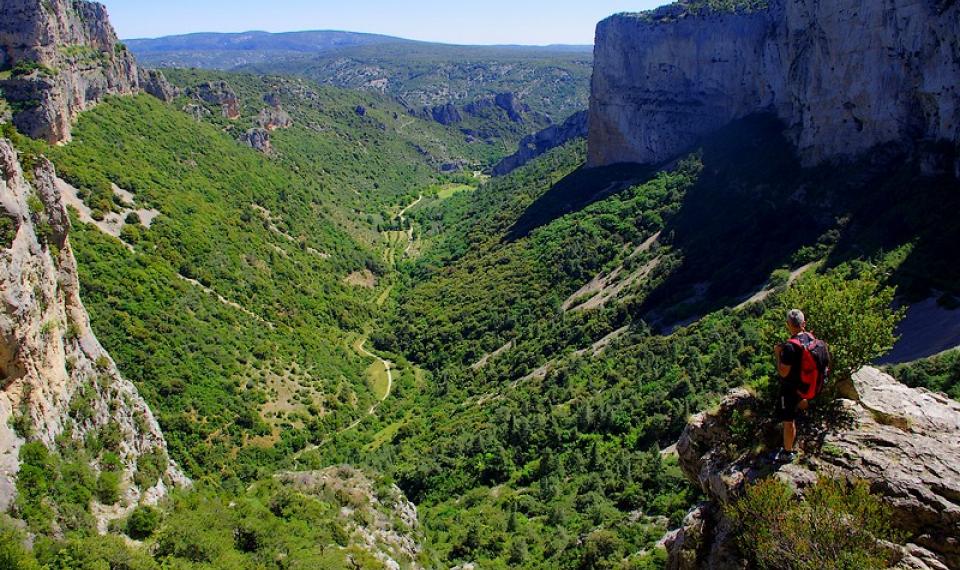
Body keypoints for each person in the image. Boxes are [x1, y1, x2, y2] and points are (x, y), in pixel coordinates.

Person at [772, 309, 812, 463]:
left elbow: (783, 372)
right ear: (804, 323)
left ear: (788, 325)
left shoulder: (789, 347)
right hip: (807, 385)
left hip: (791, 389)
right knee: (801, 402)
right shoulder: (810, 338)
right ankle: (805, 413)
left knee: (788, 422)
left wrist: (778, 355)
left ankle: (787, 453)